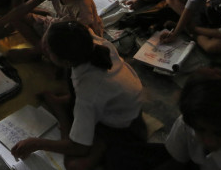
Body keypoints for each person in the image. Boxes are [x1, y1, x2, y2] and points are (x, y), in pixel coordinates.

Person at [11, 21, 146, 170]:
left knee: (74, 165)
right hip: (117, 97)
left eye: (48, 51)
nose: (44, 49)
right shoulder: (89, 42)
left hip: (120, 125)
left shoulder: (89, 92)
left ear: (66, 61)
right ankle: (65, 114)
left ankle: (83, 133)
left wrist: (36, 143)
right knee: (70, 85)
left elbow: (80, 148)